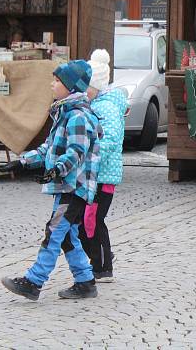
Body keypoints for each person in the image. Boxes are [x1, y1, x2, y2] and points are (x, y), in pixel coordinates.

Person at [0, 60, 102, 300]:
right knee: (66, 235)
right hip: (66, 185)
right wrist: (23, 162)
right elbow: (48, 148)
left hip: (75, 187)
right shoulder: (64, 113)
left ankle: (33, 281)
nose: (52, 84)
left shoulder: (78, 116)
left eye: (57, 81)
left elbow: (76, 152)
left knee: (55, 231)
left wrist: (55, 171)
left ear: (71, 86)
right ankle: (86, 281)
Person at [81, 49, 128, 282]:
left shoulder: (106, 107)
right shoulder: (97, 103)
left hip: (104, 174)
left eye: (85, 87)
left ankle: (103, 266)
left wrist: (89, 155)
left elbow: (108, 140)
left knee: (94, 220)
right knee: (87, 219)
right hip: (95, 174)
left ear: (96, 85)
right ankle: (99, 258)